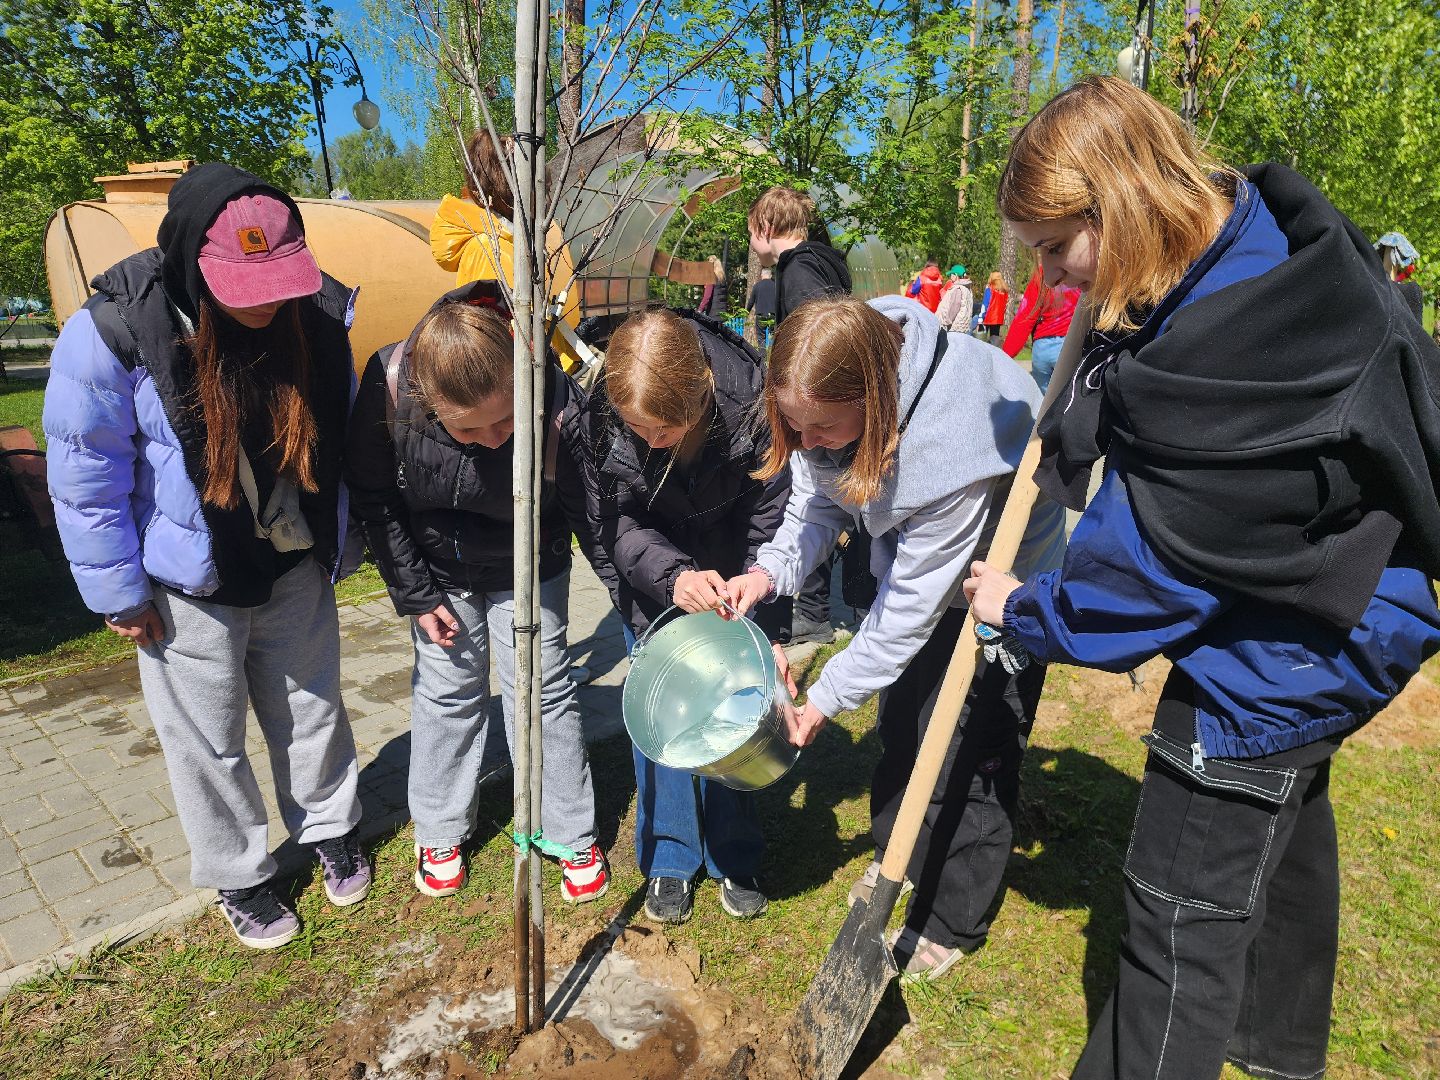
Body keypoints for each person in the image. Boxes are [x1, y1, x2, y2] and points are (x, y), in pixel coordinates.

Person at [964, 75, 1440, 1078]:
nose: (1052, 281)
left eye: (1058, 249)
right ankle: (1277, 1053)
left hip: (1268, 661)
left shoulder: (1221, 369)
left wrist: (1021, 609)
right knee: (1289, 824)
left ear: (1121, 204)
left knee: (1175, 928)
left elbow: (1138, 586)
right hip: (1354, 615)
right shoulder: (1272, 245)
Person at [42, 164, 370, 950]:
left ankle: (330, 827)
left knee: (312, 712)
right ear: (191, 259)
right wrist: (120, 590)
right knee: (207, 740)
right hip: (189, 586)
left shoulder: (318, 315)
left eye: (277, 280)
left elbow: (349, 440)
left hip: (288, 560)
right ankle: (239, 873)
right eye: (242, 285)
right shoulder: (116, 329)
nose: (264, 302)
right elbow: (85, 472)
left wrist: (347, 542)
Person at [726, 295, 1067, 979]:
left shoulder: (950, 444)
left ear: (873, 399)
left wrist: (823, 698)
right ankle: (902, 856)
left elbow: (912, 607)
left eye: (820, 427)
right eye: (796, 426)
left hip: (999, 580)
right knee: (905, 725)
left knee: (970, 744)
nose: (807, 440)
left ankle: (952, 918)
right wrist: (767, 575)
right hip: (919, 567)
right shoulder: (823, 390)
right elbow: (817, 503)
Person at [345, 282, 610, 904]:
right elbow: (375, 500)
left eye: (507, 421)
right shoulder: (388, 385)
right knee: (448, 692)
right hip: (441, 572)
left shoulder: (549, 384)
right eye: (472, 429)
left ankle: (570, 829)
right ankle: (439, 829)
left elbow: (584, 501)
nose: (495, 439)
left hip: (531, 560)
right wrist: (416, 594)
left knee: (543, 690)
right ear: (428, 399)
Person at [577, 307, 792, 925]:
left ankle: (735, 853)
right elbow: (613, 523)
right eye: (637, 429)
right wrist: (672, 577)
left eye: (664, 430)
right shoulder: (602, 417)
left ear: (701, 394)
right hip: (657, 587)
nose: (650, 442)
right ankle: (671, 858)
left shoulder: (754, 403)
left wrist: (758, 600)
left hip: (738, 583)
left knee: (739, 712)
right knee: (665, 727)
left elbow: (772, 518)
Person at [748, 184, 855, 646]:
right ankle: (812, 610)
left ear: (766, 227)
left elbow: (820, 348)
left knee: (813, 496)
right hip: (822, 414)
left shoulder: (798, 272)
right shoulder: (821, 261)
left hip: (819, 404)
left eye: (752, 233)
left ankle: (812, 611)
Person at [430, 129, 587, 374]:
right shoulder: (491, 250)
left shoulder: (506, 242)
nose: (546, 198)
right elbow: (507, 344)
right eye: (540, 187)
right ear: (515, 189)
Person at [1001, 266, 1079, 393]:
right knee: (1070, 401)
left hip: (1042, 350)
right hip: (1070, 347)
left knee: (1043, 405)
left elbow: (1025, 317)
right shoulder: (1082, 271)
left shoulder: (1042, 273)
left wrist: (1004, 356)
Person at [935, 264, 974, 333]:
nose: (950, 277)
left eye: (951, 274)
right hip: (960, 327)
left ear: (956, 275)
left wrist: (945, 322)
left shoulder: (958, 289)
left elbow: (954, 308)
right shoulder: (966, 288)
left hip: (953, 328)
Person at [746, 266, 778, 350]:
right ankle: (772, 355)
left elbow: (751, 301)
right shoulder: (775, 286)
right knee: (774, 336)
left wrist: (746, 312)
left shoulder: (757, 286)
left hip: (761, 315)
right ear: (770, 275)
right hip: (773, 315)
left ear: (762, 275)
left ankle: (763, 358)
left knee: (761, 338)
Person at [977, 271, 1008, 343]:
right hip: (998, 319)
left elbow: (984, 305)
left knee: (982, 341)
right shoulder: (1004, 292)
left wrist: (980, 319)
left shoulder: (990, 290)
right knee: (994, 342)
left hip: (988, 318)